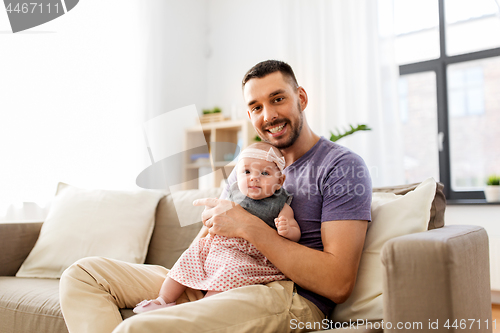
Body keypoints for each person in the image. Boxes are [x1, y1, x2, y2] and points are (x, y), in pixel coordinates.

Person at [59, 60, 372, 333]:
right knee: (83, 275)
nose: (269, 115)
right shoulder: (248, 166)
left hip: (281, 291)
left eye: (278, 99)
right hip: (215, 273)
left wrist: (248, 226)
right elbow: (213, 232)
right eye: (256, 107)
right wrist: (185, 274)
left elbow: (338, 283)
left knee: (141, 328)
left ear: (300, 97)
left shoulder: (341, 166)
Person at [132, 142, 300, 314]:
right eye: (246, 171)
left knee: (230, 270)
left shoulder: (280, 204)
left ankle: (204, 307)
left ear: (280, 181)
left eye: (264, 173)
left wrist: (287, 229)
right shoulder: (233, 193)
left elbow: (295, 233)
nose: (253, 178)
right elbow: (214, 217)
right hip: (217, 245)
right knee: (188, 256)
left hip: (248, 254)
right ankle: (163, 300)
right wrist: (209, 216)